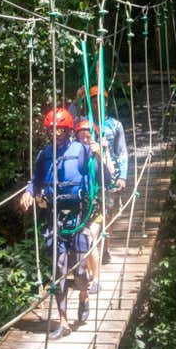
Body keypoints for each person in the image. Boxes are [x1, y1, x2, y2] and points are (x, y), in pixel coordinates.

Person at [19, 107, 96, 339]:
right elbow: (37, 180)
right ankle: (62, 320)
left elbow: (97, 174)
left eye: (61, 130)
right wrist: (29, 192)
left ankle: (84, 296)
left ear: (69, 130)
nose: (57, 134)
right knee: (59, 268)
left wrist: (98, 153)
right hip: (54, 217)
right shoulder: (44, 155)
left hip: (78, 217)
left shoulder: (82, 151)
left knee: (81, 272)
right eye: (53, 130)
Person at [70, 85, 129, 264]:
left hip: (109, 176)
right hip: (88, 176)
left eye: (100, 101)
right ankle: (91, 252)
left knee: (108, 214)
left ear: (106, 103)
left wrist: (123, 176)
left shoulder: (115, 125)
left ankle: (105, 249)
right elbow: (68, 121)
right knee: (90, 214)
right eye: (94, 101)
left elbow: (122, 152)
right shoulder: (83, 122)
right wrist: (76, 99)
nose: (97, 105)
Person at [74, 119, 114, 294]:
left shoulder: (99, 153)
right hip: (79, 208)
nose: (84, 139)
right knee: (84, 244)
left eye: (88, 136)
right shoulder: (74, 155)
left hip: (96, 206)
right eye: (81, 136)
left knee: (90, 241)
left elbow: (107, 178)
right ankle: (91, 273)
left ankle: (96, 279)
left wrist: (99, 154)